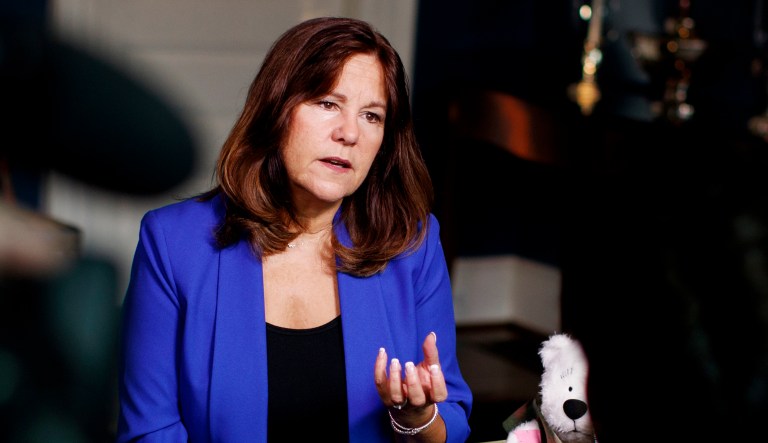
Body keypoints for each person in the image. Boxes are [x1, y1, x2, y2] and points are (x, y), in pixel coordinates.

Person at [116, 16, 473, 443]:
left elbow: (451, 417)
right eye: (327, 103)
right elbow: (150, 431)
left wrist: (415, 418)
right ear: (277, 109)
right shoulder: (173, 243)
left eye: (372, 116)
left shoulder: (412, 243)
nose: (349, 133)